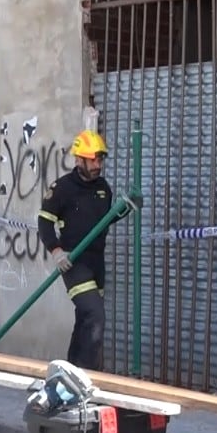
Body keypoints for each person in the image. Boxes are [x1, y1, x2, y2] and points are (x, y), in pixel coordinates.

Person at [37, 130, 139, 371]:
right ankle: (87, 375)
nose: (97, 165)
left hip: (96, 264)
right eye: (92, 160)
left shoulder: (103, 188)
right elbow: (44, 222)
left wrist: (127, 208)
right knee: (95, 315)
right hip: (74, 263)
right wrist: (56, 251)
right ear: (79, 160)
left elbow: (105, 220)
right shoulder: (62, 188)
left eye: (100, 160)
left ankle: (70, 370)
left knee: (85, 317)